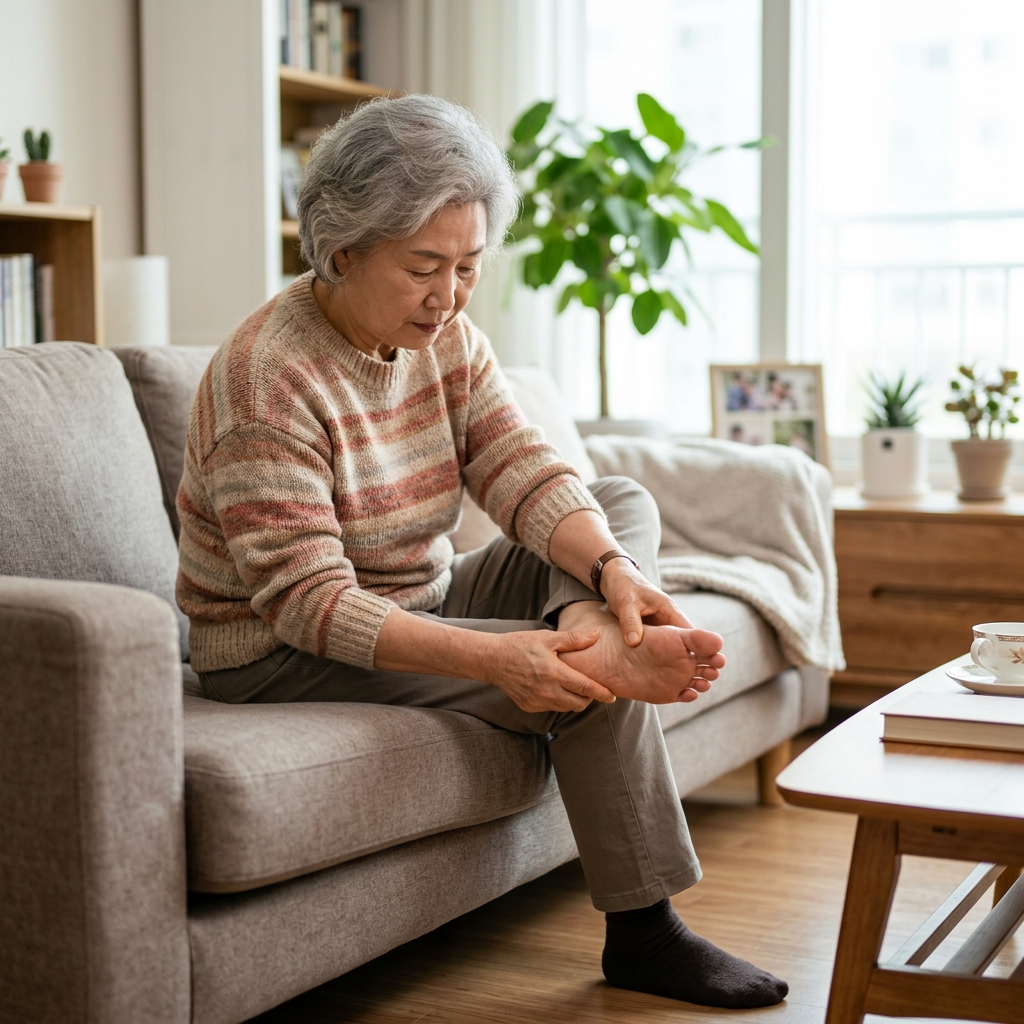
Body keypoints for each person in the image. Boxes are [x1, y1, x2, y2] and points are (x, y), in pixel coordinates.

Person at [176, 94, 788, 1010]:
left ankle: (590, 619)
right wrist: (508, 656)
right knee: (589, 672)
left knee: (613, 507)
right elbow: (309, 603)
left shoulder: (445, 337)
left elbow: (518, 464)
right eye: (424, 267)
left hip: (417, 595)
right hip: (280, 654)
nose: (450, 294)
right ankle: (644, 933)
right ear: (340, 252)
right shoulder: (267, 382)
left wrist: (604, 581)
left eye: (467, 266)